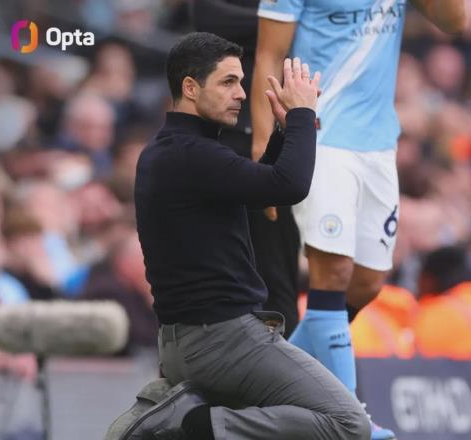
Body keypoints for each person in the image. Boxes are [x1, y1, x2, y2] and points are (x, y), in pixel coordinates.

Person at [127, 32, 370, 439]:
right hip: (223, 340)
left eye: (241, 81)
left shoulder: (171, 150)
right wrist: (303, 116)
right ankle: (190, 424)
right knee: (348, 424)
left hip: (185, 344)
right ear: (190, 87)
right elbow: (288, 186)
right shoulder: (194, 154)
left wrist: (283, 131)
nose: (241, 93)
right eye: (228, 82)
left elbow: (261, 192)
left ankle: (194, 422)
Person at [251, 1, 466, 439]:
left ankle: (266, 383)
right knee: (333, 273)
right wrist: (262, 148)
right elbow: (268, 56)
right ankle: (349, 420)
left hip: (378, 142)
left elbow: (454, 21)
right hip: (319, 134)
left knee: (367, 281)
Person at [190, 0, 302, 337]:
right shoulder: (298, 16)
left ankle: (286, 355)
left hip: (285, 134)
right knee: (224, 262)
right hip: (230, 138)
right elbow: (207, 19)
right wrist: (286, 24)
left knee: (279, 267)